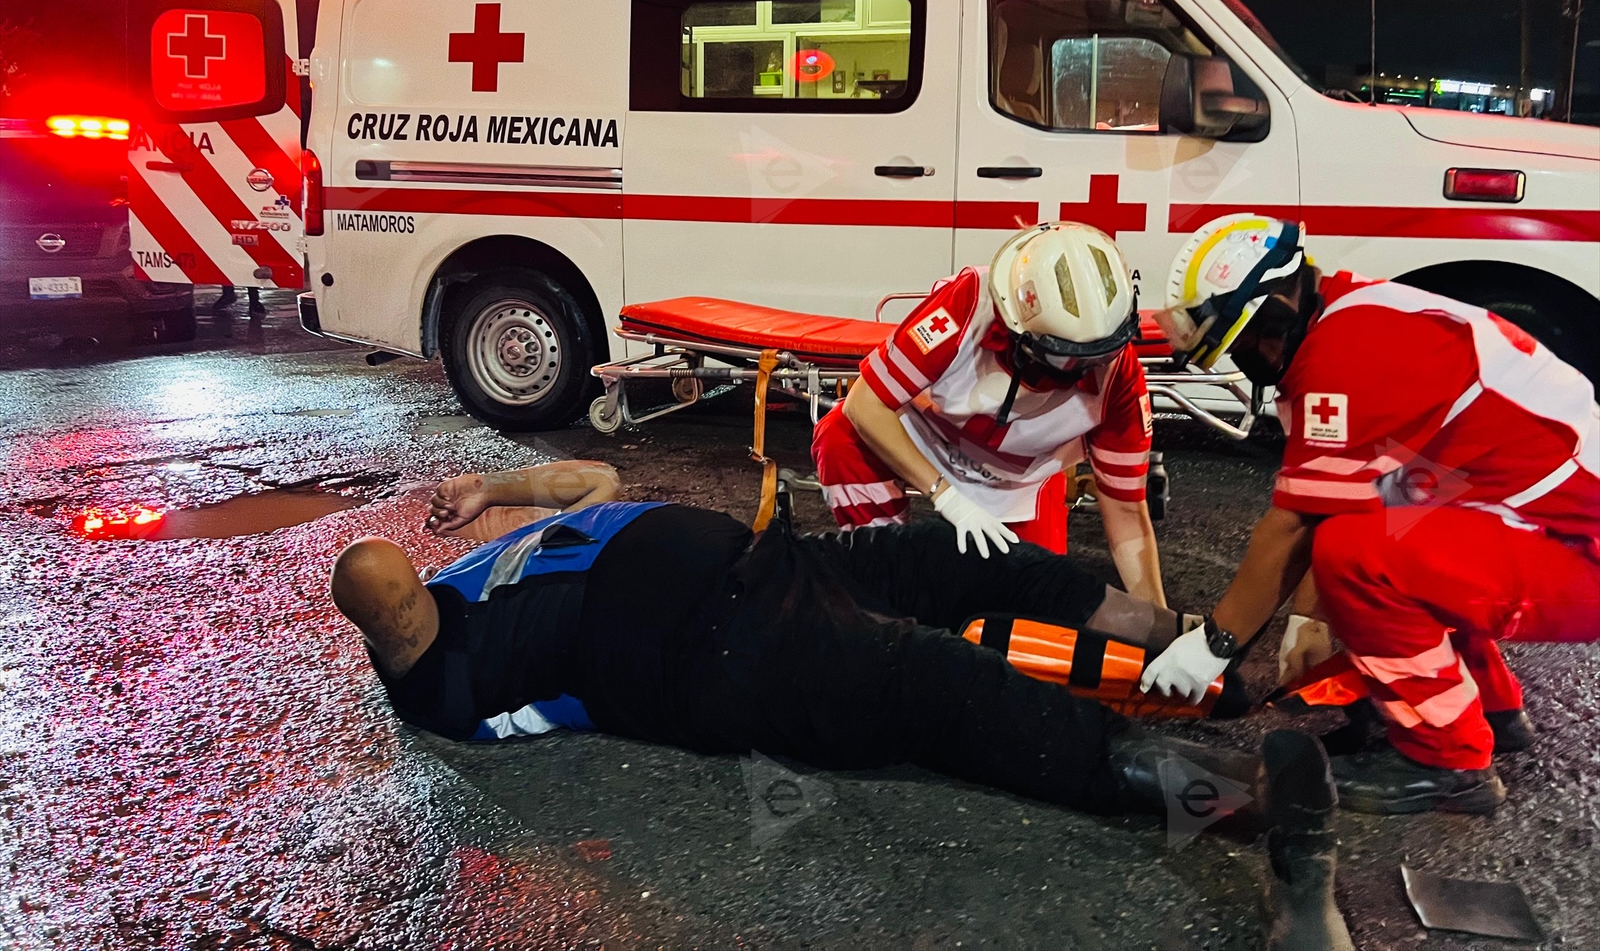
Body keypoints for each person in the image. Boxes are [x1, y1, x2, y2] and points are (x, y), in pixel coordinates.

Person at [330, 460, 1253, 818]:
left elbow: (595, 480)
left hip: (780, 561)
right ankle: (1234, 797)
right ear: (394, 621)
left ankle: (1199, 644)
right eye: (401, 595)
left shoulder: (467, 577)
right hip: (722, 653)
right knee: (943, 681)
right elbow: (374, 582)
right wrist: (391, 586)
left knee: (961, 556)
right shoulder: (437, 679)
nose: (413, 582)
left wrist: (496, 491)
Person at [1137, 213, 1600, 814]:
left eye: (1246, 342)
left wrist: (1215, 644)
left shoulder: (1343, 354)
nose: (1247, 359)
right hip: (1549, 521)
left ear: (1277, 306)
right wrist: (1311, 620)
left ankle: (1447, 759)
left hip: (1576, 553)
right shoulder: (1358, 314)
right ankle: (1488, 705)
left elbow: (1294, 527)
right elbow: (1368, 497)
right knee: (1396, 521)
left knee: (1359, 558)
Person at [812, 222, 1165, 604]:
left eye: (1101, 354)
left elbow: (1127, 513)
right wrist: (945, 495)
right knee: (840, 437)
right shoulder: (967, 303)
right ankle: (881, 581)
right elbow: (865, 403)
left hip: (1021, 476)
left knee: (1028, 607)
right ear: (1013, 323)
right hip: (933, 433)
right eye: (1065, 358)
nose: (1086, 369)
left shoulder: (1120, 374)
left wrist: (1158, 625)